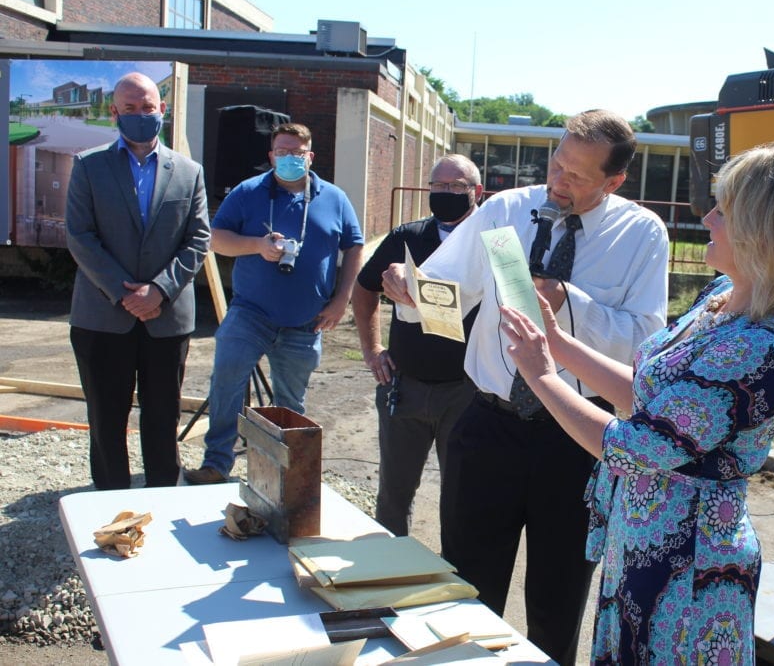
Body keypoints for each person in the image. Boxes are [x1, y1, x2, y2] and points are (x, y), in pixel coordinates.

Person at [499, 141, 774, 663]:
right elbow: (649, 394)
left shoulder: (762, 345)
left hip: (688, 568)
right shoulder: (720, 298)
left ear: (765, 230)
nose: (707, 219)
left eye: (723, 210)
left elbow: (638, 447)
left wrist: (543, 375)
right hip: (646, 547)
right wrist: (559, 344)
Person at [381, 110, 670, 664]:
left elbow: (644, 343)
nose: (558, 181)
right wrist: (409, 290)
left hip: (577, 437)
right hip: (488, 423)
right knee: (466, 586)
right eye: (557, 164)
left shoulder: (641, 234)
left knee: (558, 598)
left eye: (577, 176)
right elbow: (447, 291)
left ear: (614, 181)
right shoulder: (505, 210)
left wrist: (568, 303)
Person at [184, 122, 364, 485]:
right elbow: (216, 238)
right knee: (227, 378)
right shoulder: (248, 192)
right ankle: (216, 463)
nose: (290, 159)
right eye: (282, 152)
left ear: (310, 157)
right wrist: (257, 246)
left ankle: (284, 477)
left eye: (297, 153)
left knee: (290, 403)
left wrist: (342, 299)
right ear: (271, 155)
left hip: (306, 321)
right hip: (250, 314)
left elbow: (354, 246)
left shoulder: (334, 198)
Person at [65, 72, 210, 491]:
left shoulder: (189, 171)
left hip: (167, 318)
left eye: (147, 107)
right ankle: (110, 499)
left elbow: (198, 239)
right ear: (114, 112)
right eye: (130, 108)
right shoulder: (88, 166)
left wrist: (159, 290)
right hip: (103, 316)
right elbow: (80, 235)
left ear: (162, 109)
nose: (140, 114)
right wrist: (123, 292)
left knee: (163, 415)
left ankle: (162, 494)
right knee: (106, 417)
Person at [353, 154, 483, 536]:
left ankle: (456, 566)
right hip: (404, 387)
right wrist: (372, 350)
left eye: (455, 186)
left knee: (462, 495)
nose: (445, 192)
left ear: (476, 191)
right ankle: (391, 561)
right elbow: (364, 288)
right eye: (437, 185)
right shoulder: (407, 237)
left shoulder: (489, 241)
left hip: (466, 392)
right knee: (393, 494)